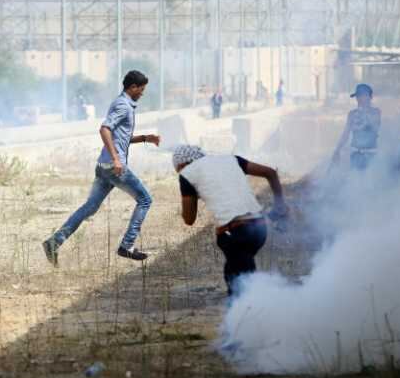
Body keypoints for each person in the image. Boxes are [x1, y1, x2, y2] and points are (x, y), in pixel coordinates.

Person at [43, 70, 160, 266]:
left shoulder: (122, 104)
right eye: (141, 89)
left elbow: (120, 137)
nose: (142, 93)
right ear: (132, 87)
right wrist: (116, 159)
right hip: (113, 166)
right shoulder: (123, 105)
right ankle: (127, 245)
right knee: (145, 200)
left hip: (104, 166)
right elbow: (105, 129)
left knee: (89, 207)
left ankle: (54, 242)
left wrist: (145, 138)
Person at [172, 145, 289, 296]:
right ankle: (251, 305)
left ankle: (254, 306)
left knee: (240, 284)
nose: (180, 173)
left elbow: (189, 219)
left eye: (178, 170)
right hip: (260, 227)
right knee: (239, 274)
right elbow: (270, 172)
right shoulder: (231, 159)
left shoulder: (187, 173)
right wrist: (280, 205)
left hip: (235, 232)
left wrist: (189, 197)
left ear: (182, 165)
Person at [332, 84, 381, 171]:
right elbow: (345, 134)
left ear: (369, 97)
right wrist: (337, 150)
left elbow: (374, 126)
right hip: (356, 154)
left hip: (371, 154)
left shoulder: (375, 112)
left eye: (362, 96)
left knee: (370, 177)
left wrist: (363, 114)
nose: (359, 99)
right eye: (358, 96)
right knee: (355, 177)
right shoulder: (352, 114)